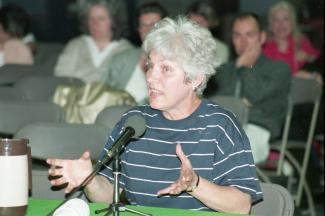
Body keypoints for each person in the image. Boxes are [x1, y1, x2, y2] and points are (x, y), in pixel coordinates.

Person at [47, 16, 263, 213]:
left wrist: (194, 184)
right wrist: (90, 181)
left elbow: (242, 205)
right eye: (150, 66)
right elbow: (106, 197)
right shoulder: (134, 123)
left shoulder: (220, 125)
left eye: (165, 69)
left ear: (195, 78)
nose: (150, 78)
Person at [210, 12, 291, 162]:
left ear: (262, 37)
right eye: (237, 36)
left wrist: (244, 66)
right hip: (222, 129)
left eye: (250, 35)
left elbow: (253, 94)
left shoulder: (279, 69)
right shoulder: (225, 70)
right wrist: (242, 102)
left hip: (257, 130)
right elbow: (218, 103)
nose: (243, 42)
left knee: (230, 156)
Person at [102, 2, 167, 104]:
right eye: (144, 25)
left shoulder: (175, 64)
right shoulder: (121, 59)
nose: (148, 31)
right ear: (139, 30)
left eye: (154, 25)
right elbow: (103, 93)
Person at [54, 0, 132, 83]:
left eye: (101, 19)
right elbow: (60, 78)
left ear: (114, 21)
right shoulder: (75, 45)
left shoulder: (128, 51)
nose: (95, 24)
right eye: (91, 19)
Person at [263, 1, 320, 79]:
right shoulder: (263, 46)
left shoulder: (301, 41)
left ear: (292, 23)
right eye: (276, 20)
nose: (281, 25)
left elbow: (316, 59)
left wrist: (307, 57)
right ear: (271, 25)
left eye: (286, 19)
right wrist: (299, 75)